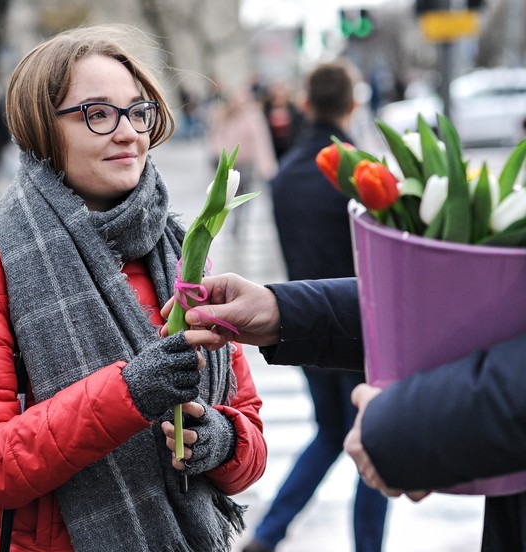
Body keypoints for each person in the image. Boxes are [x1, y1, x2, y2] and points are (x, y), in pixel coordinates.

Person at [0, 25, 268, 552]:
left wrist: (220, 444)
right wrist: (129, 393)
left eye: (137, 111)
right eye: (98, 114)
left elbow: (249, 435)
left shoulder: (179, 253)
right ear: (45, 130)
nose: (128, 133)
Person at [160, 274, 526, 552]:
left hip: (348, 364)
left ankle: (272, 531)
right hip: (346, 354)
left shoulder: (288, 183)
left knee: (337, 438)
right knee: (340, 439)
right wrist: (283, 309)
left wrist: (410, 422)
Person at [242, 61, 388, 552]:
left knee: (329, 434)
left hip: (303, 323)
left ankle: (267, 534)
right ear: (353, 104)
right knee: (372, 440)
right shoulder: (361, 171)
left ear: (307, 104)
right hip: (361, 327)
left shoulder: (285, 177)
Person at [206, 89, 277, 236]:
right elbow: (216, 137)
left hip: (246, 163)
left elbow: (261, 142)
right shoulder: (224, 116)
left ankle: (239, 220)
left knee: (244, 193)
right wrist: (219, 154)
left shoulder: (254, 118)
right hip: (228, 163)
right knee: (229, 194)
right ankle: (232, 220)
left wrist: (266, 166)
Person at [263, 83, 305, 162]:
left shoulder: (294, 112)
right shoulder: (267, 112)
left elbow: (298, 129)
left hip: (290, 148)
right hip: (274, 149)